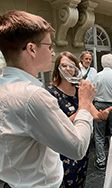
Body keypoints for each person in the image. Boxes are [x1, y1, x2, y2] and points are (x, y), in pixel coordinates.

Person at [0, 10, 96, 187]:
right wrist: (85, 103)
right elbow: (77, 148)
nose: (53, 53)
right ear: (32, 49)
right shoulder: (32, 96)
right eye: (49, 46)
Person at [47, 51, 112, 187]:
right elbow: (58, 124)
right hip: (64, 150)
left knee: (81, 181)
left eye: (71, 66)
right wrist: (81, 108)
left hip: (82, 145)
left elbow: (94, 114)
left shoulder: (79, 90)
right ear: (57, 69)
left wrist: (102, 115)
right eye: (63, 66)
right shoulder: (51, 93)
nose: (68, 69)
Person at [93, 53, 112, 170]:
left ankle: (101, 161)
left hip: (99, 105)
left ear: (102, 64)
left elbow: (92, 90)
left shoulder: (96, 76)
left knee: (99, 134)